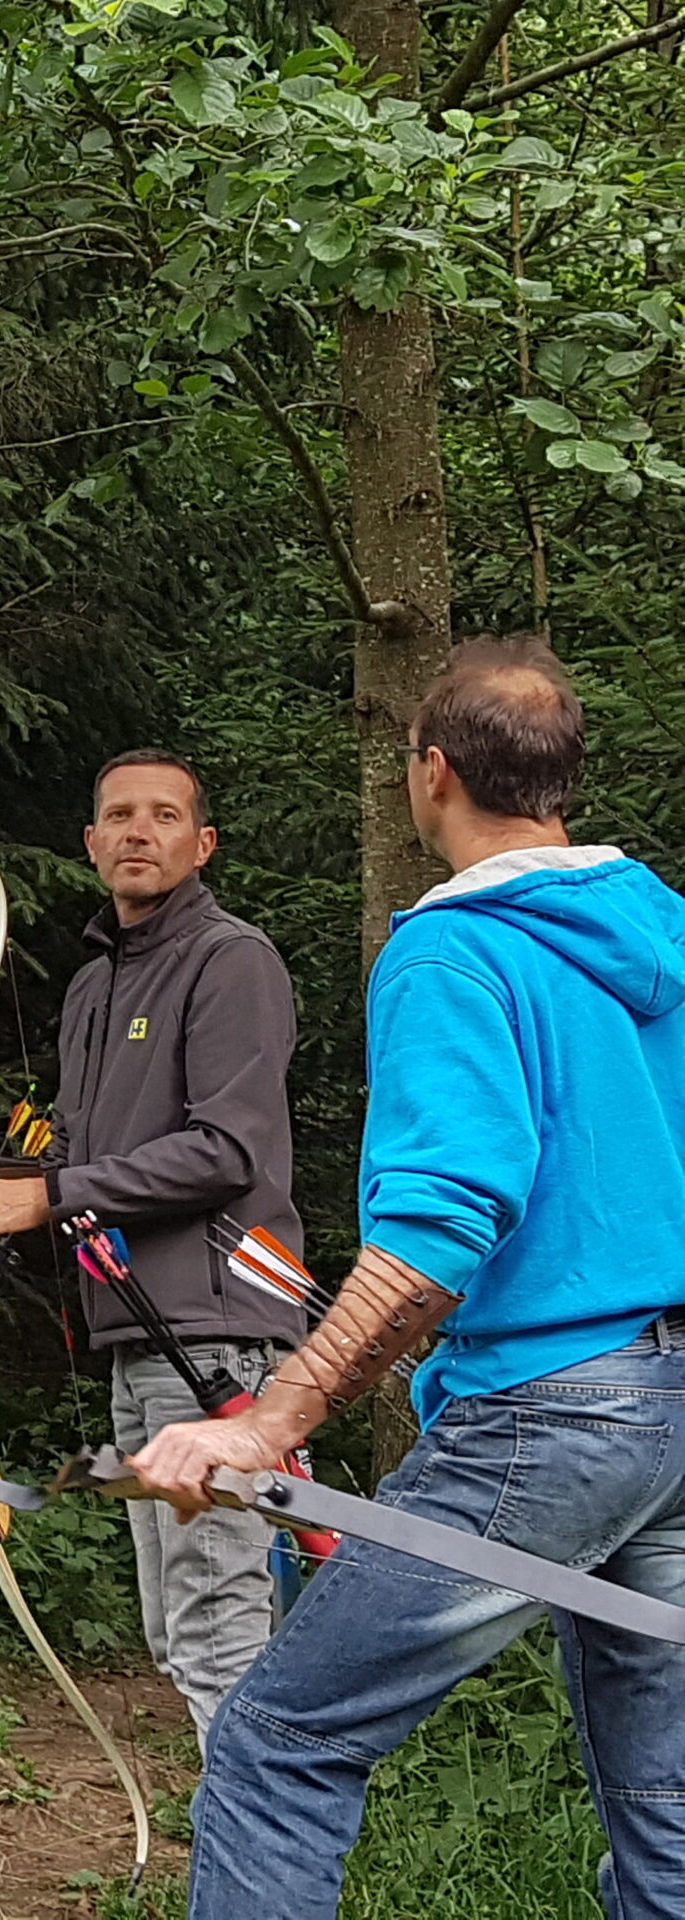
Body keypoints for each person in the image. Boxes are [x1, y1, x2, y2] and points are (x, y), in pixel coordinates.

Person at [134, 641, 685, 1919]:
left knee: (277, 1747)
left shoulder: (453, 952)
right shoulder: (663, 937)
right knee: (668, 1802)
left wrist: (273, 1418)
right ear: (563, 779)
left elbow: (443, 1226)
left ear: (430, 773)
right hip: (673, 1412)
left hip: (551, 1410)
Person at [0, 751, 306, 1740]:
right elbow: (88, 1160)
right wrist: (1, 1172)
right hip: (137, 1334)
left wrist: (45, 1192)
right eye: (120, 816)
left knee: (217, 1631)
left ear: (202, 844)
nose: (140, 831)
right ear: (92, 843)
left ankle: (256, 1837)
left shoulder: (230, 960)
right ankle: (239, 1824)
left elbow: (226, 1150)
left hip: (215, 1331)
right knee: (175, 1634)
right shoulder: (96, 984)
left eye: (165, 815)